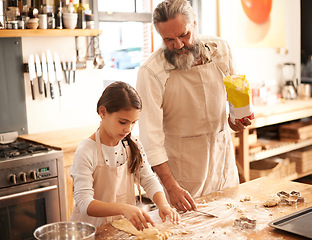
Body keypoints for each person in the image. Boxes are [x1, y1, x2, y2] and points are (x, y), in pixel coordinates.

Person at [136, 0, 252, 213]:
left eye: (184, 35)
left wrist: (238, 121)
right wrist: (171, 188)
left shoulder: (221, 50)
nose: (178, 45)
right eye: (168, 39)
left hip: (223, 169)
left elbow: (235, 110)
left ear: (195, 24)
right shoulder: (151, 72)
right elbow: (150, 141)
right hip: (183, 182)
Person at [69, 81, 180, 230]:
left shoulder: (132, 145)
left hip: (120, 228)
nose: (128, 129)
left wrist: (163, 204)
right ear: (102, 112)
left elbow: (149, 179)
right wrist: (124, 208)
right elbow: (84, 203)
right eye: (123, 122)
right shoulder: (86, 150)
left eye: (134, 122)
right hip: (90, 232)